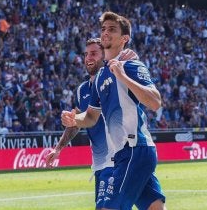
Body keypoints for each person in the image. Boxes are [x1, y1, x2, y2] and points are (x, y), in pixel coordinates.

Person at [62, 11, 166, 210]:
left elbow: (155, 101)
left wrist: (122, 75)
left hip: (136, 149)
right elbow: (91, 117)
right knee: (155, 207)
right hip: (123, 154)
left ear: (124, 38)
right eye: (103, 29)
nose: (105, 33)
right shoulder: (100, 76)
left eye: (112, 29)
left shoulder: (131, 65)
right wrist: (75, 119)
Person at [45, 37, 138, 209]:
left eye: (94, 53)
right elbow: (77, 123)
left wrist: (128, 60)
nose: (88, 58)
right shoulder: (82, 90)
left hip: (118, 160)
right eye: (86, 54)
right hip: (100, 165)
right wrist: (58, 148)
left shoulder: (116, 78)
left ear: (104, 56)